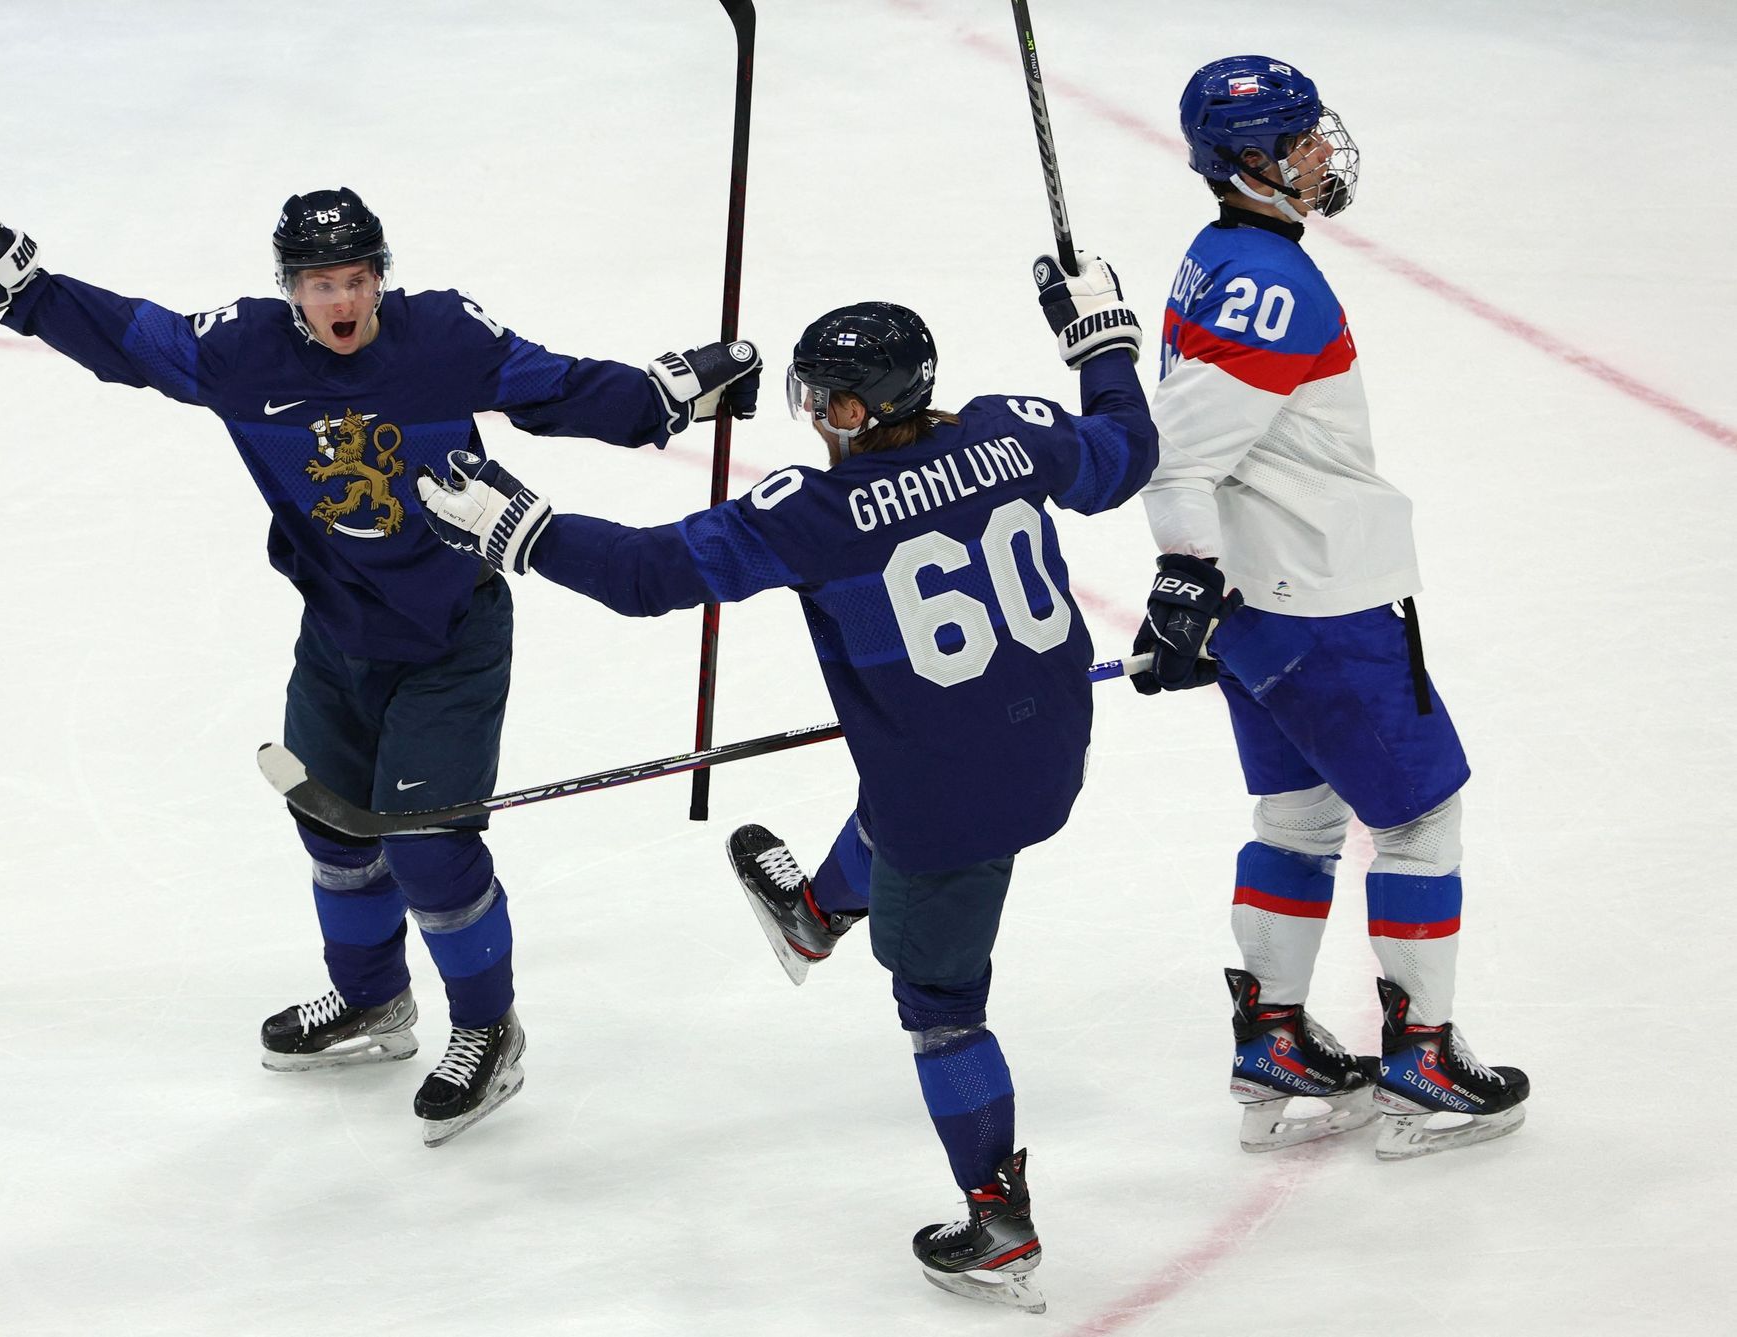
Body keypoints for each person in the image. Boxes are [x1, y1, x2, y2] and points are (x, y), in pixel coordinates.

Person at [0, 184, 761, 1147]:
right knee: (336, 829)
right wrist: (20, 282)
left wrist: (662, 395)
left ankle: (486, 1028)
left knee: (428, 848)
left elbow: (553, 387)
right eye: (317, 282)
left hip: (450, 637)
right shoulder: (241, 354)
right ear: (288, 290)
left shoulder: (440, 340)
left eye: (354, 279)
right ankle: (374, 1002)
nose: (339, 301)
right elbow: (129, 339)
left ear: (381, 280)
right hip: (338, 633)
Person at [415, 261, 1154, 1309]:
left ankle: (996, 1219)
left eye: (827, 399)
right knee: (907, 777)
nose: (814, 417)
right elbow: (1128, 457)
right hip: (1052, 746)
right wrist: (1103, 347)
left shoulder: (818, 509)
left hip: (950, 800)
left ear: (863, 405)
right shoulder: (1014, 430)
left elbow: (644, 575)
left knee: (941, 1003)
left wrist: (520, 529)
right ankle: (810, 915)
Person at [1131, 57, 1530, 1160]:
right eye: (1297, 138)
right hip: (1323, 596)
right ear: (1245, 159)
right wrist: (1177, 570)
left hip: (1260, 597)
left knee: (1298, 817)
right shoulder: (1275, 286)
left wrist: (1195, 581)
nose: (1319, 152)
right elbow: (1178, 457)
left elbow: (1177, 441)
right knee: (1417, 816)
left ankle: (1275, 1040)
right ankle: (1425, 1059)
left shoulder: (1219, 255)